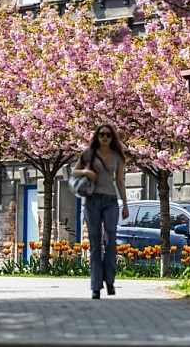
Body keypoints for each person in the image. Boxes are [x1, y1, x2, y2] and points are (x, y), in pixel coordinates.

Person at [71, 124, 129, 299]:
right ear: (97, 136)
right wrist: (87, 171)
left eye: (108, 135)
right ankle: (96, 286)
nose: (105, 137)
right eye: (102, 134)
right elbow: (74, 172)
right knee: (95, 244)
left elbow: (120, 181)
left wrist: (125, 204)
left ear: (112, 138)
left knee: (110, 241)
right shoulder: (88, 153)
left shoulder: (118, 157)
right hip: (92, 200)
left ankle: (110, 281)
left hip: (110, 200)